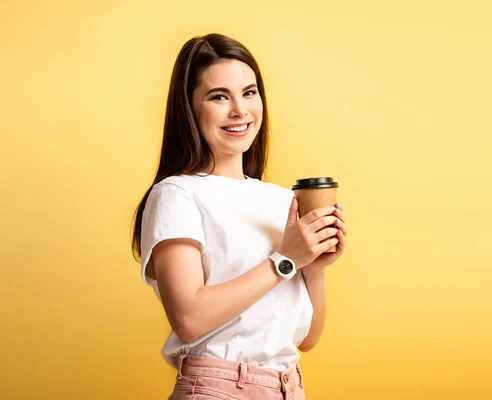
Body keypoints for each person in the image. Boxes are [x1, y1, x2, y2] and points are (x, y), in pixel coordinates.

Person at [132, 33, 348, 400]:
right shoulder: (177, 194)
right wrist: (285, 260)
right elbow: (188, 319)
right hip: (218, 389)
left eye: (249, 93)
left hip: (287, 387)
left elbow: (307, 338)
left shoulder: (282, 200)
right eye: (219, 96)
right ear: (190, 107)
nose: (240, 110)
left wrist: (315, 267)